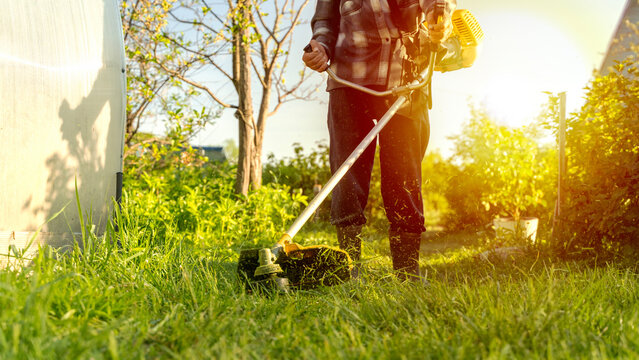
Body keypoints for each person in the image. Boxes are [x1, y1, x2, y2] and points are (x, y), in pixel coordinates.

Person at [302, 0, 457, 280]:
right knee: (346, 175)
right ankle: (348, 270)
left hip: (406, 80)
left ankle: (407, 273)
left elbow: (437, 4)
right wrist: (320, 49)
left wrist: (440, 18)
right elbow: (324, 23)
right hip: (349, 80)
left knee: (404, 177)